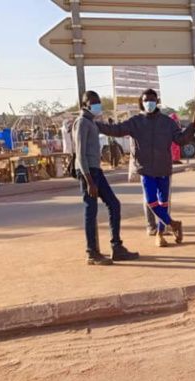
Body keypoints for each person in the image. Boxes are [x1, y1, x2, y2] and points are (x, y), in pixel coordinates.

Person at [96, 89, 195, 248]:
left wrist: (193, 126)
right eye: (146, 100)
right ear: (141, 103)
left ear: (157, 102)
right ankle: (173, 223)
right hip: (145, 169)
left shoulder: (167, 122)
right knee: (151, 201)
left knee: (164, 203)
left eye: (152, 100)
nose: (149, 103)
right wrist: (97, 125)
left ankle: (160, 234)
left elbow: (180, 139)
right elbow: (116, 129)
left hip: (164, 169)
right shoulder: (135, 122)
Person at [74, 90, 139, 265]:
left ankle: (116, 247)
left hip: (96, 170)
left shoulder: (91, 122)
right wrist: (89, 181)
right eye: (93, 102)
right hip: (88, 172)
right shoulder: (81, 123)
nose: (97, 105)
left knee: (114, 204)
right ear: (85, 104)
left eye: (98, 101)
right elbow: (80, 155)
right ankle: (92, 252)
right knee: (91, 210)